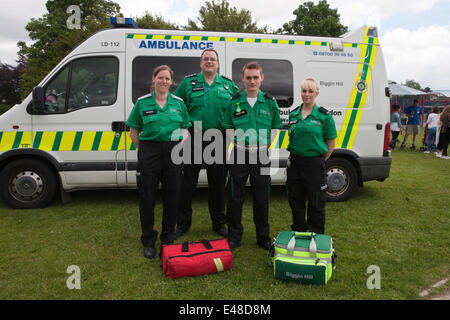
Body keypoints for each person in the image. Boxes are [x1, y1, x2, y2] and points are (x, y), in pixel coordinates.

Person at [126, 65, 191, 259]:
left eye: (167, 79)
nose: (164, 81)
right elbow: (134, 131)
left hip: (173, 151)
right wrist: (145, 151)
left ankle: (168, 238)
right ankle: (148, 240)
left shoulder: (179, 103)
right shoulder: (142, 103)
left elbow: (185, 128)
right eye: (160, 78)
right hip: (150, 151)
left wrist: (182, 141)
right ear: (153, 79)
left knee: (172, 196)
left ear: (172, 82)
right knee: (148, 197)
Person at [174, 48, 239, 239]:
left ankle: (219, 223)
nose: (209, 61)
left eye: (212, 59)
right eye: (206, 59)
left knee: (218, 184)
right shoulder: (188, 83)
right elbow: (176, 105)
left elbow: (237, 110)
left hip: (218, 138)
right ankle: (183, 223)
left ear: (217, 63)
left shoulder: (228, 86)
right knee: (187, 183)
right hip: (193, 137)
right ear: (201, 63)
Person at [223, 61, 283, 250]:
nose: (252, 81)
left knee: (261, 197)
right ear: (242, 79)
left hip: (261, 155)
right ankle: (234, 236)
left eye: (256, 77)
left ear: (261, 78)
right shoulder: (234, 101)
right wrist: (238, 142)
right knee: (234, 197)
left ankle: (263, 237)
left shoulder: (270, 102)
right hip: (239, 153)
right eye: (248, 77)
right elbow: (227, 126)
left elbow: (276, 126)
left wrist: (266, 144)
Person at [286, 77, 337, 234]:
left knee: (316, 201)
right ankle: (299, 230)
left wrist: (319, 162)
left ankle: (315, 233)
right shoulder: (293, 115)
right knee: (296, 200)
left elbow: (331, 144)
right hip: (295, 163)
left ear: (316, 93)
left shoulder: (324, 116)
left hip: (314, 164)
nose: (306, 94)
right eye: (304, 91)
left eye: (310, 91)